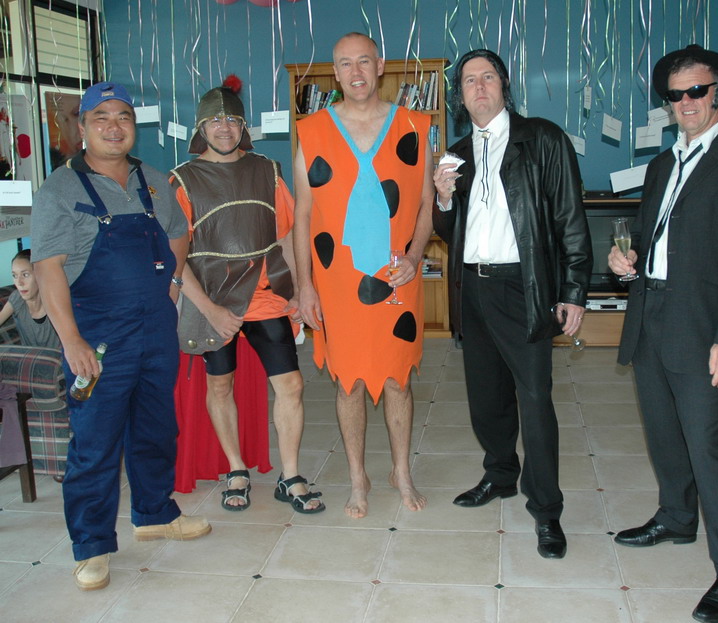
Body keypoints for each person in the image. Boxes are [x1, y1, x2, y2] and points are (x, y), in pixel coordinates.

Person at [607, 45, 718, 623]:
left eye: (696, 91)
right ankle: (677, 518)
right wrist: (624, 260)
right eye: (674, 95)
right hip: (650, 315)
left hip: (705, 326)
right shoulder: (662, 164)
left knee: (707, 445)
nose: (684, 102)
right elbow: (651, 235)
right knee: (663, 433)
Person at [30, 82, 210, 592]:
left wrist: (172, 284)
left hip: (155, 327)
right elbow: (48, 269)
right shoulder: (58, 190)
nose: (114, 127)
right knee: (95, 442)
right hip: (97, 336)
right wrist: (71, 341)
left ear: (134, 126)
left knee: (156, 429)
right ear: (82, 127)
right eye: (101, 118)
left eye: (123, 117)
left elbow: (179, 232)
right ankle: (90, 547)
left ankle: (155, 514)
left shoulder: (153, 179)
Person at [432, 49, 592, 560]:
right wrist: (442, 199)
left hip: (523, 287)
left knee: (535, 399)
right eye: (468, 81)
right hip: (472, 288)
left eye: (488, 78)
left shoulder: (542, 139)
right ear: (460, 96)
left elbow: (570, 217)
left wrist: (573, 291)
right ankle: (500, 475)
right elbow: (448, 232)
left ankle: (546, 509)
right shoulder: (456, 153)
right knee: (486, 396)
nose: (479, 87)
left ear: (504, 86)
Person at [293, 32, 434, 519]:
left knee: (398, 379)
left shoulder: (414, 126)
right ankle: (358, 478)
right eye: (345, 64)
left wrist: (415, 256)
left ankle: (401, 472)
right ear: (335, 72)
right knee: (348, 382)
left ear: (380, 65)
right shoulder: (312, 131)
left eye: (364, 62)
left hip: (396, 275)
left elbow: (426, 205)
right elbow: (302, 216)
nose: (356, 72)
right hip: (337, 282)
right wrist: (305, 286)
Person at [171, 78, 323, 513]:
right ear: (201, 127)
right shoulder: (182, 180)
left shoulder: (267, 170)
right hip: (213, 301)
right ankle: (236, 469)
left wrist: (296, 291)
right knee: (220, 385)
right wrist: (209, 311)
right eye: (215, 120)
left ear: (243, 127)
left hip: (265, 293)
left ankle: (290, 475)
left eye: (233, 120)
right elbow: (176, 259)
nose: (225, 128)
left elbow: (287, 234)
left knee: (291, 385)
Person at [0, 249, 60, 349]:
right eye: (15, 275)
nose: (19, 283)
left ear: (40, 275)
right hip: (30, 358)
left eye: (25, 275)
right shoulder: (17, 298)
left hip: (58, 357)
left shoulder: (56, 300)